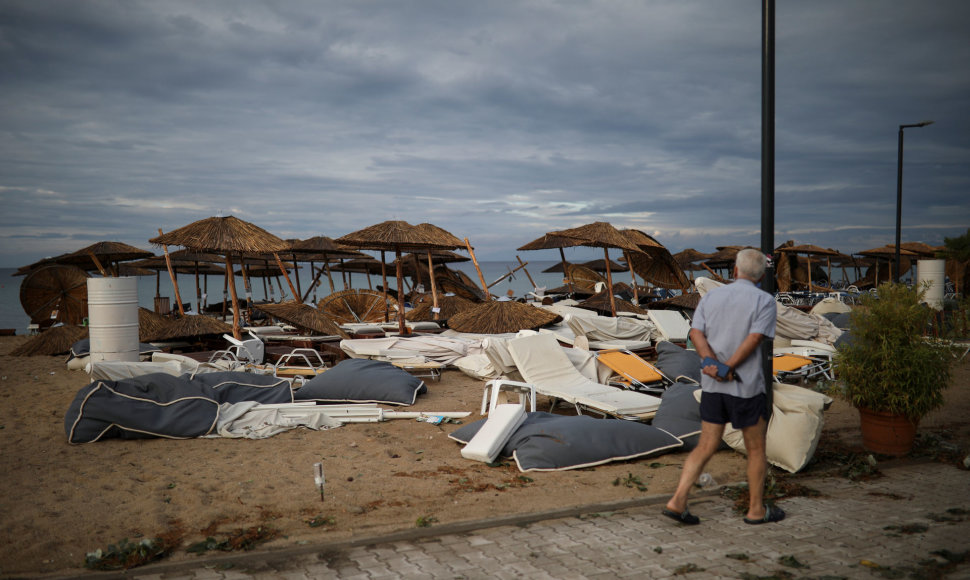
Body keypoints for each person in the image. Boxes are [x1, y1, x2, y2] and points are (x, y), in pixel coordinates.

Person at [662, 248, 785, 525]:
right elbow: (754, 338)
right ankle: (755, 510)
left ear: (735, 270)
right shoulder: (764, 301)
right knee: (755, 450)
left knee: (705, 445)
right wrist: (728, 367)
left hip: (713, 387)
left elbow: (695, 333)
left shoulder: (712, 296)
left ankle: (678, 500)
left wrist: (711, 363)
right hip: (747, 388)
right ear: (761, 275)